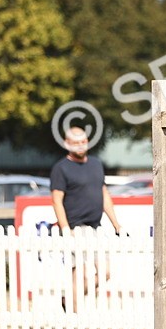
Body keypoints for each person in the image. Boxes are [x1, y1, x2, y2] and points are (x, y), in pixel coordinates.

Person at [51, 126, 122, 312]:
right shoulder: (61, 168)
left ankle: (69, 298)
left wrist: (116, 223)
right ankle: (75, 315)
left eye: (83, 142)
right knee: (80, 273)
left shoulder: (96, 164)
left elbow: (104, 195)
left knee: (105, 272)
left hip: (95, 227)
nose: (80, 146)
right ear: (67, 144)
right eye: (76, 143)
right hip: (74, 227)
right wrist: (66, 229)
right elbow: (57, 200)